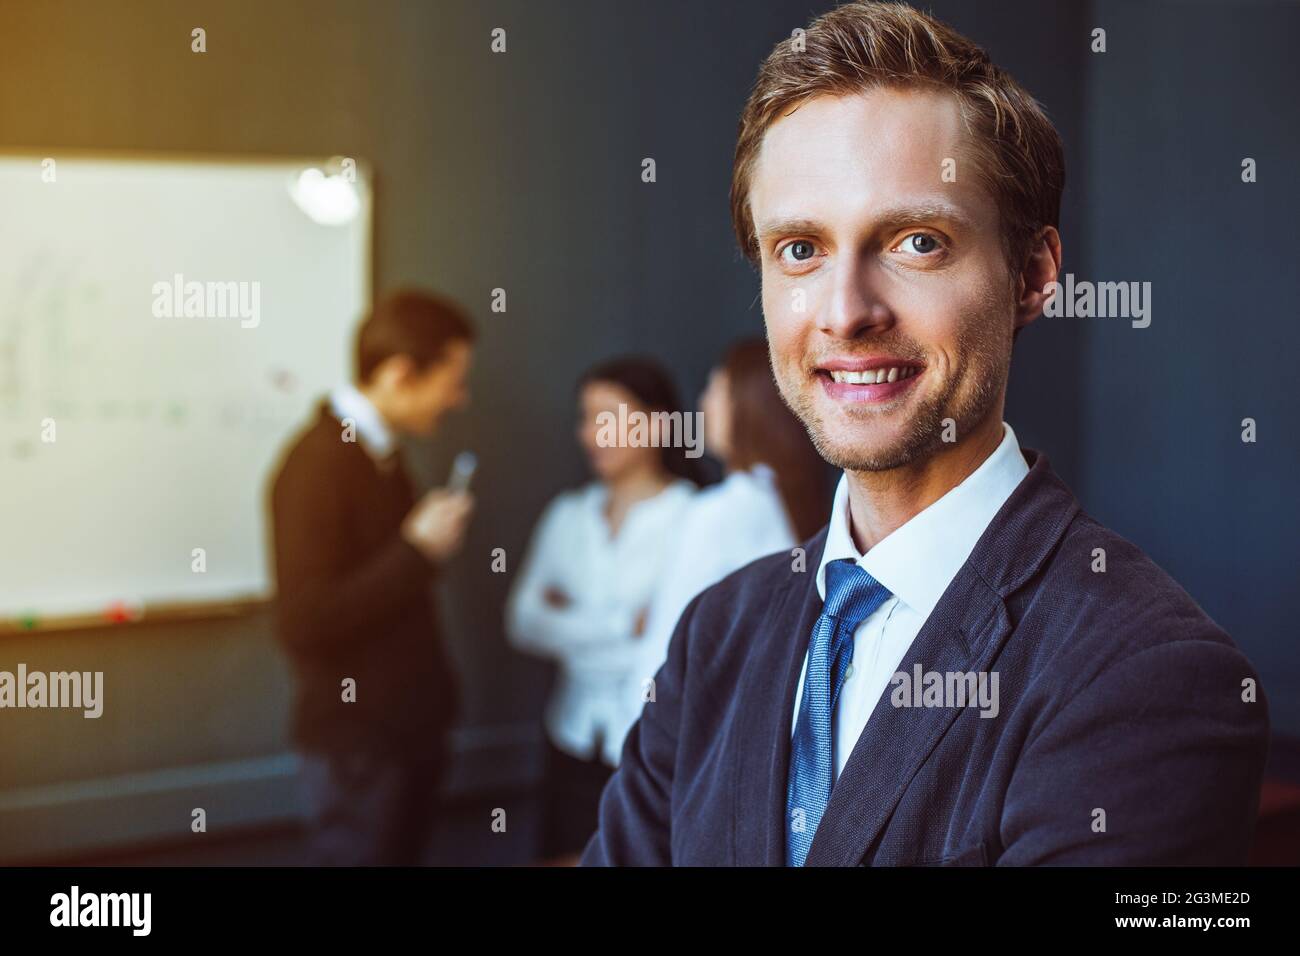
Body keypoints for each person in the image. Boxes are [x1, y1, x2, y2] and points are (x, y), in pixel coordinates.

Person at [583, 1, 1269, 866]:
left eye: (915, 241)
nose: (846, 313)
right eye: (799, 249)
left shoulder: (1151, 676)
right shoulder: (716, 637)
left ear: (1032, 276)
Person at [269, 289, 475, 866]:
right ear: (400, 374)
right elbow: (303, 622)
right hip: (357, 750)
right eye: (452, 381)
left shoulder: (381, 455)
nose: (459, 400)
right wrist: (416, 550)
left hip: (399, 741)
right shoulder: (316, 464)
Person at [505, 357, 697, 861]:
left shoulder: (695, 518)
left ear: (658, 424)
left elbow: (672, 644)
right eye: (585, 418)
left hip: (649, 744)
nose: (591, 434)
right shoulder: (568, 515)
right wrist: (621, 623)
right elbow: (523, 622)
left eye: (607, 417)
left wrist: (569, 616)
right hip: (568, 735)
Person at [616, 338, 829, 747]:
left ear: (747, 404)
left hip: (696, 745)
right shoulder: (795, 503)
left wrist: (633, 741)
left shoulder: (719, 513)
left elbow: (664, 652)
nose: (702, 403)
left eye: (714, 389)